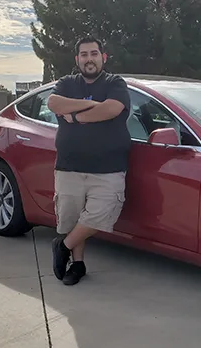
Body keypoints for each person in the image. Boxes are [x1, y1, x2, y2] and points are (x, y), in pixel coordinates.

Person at [46, 36, 132, 285]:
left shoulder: (115, 83)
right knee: (72, 218)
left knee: (102, 214)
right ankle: (78, 264)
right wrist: (91, 105)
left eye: (94, 53)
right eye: (84, 54)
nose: (89, 59)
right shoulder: (66, 83)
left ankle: (62, 245)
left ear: (103, 57)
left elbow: (112, 109)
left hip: (109, 168)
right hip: (69, 165)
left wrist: (74, 117)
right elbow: (53, 103)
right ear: (77, 60)